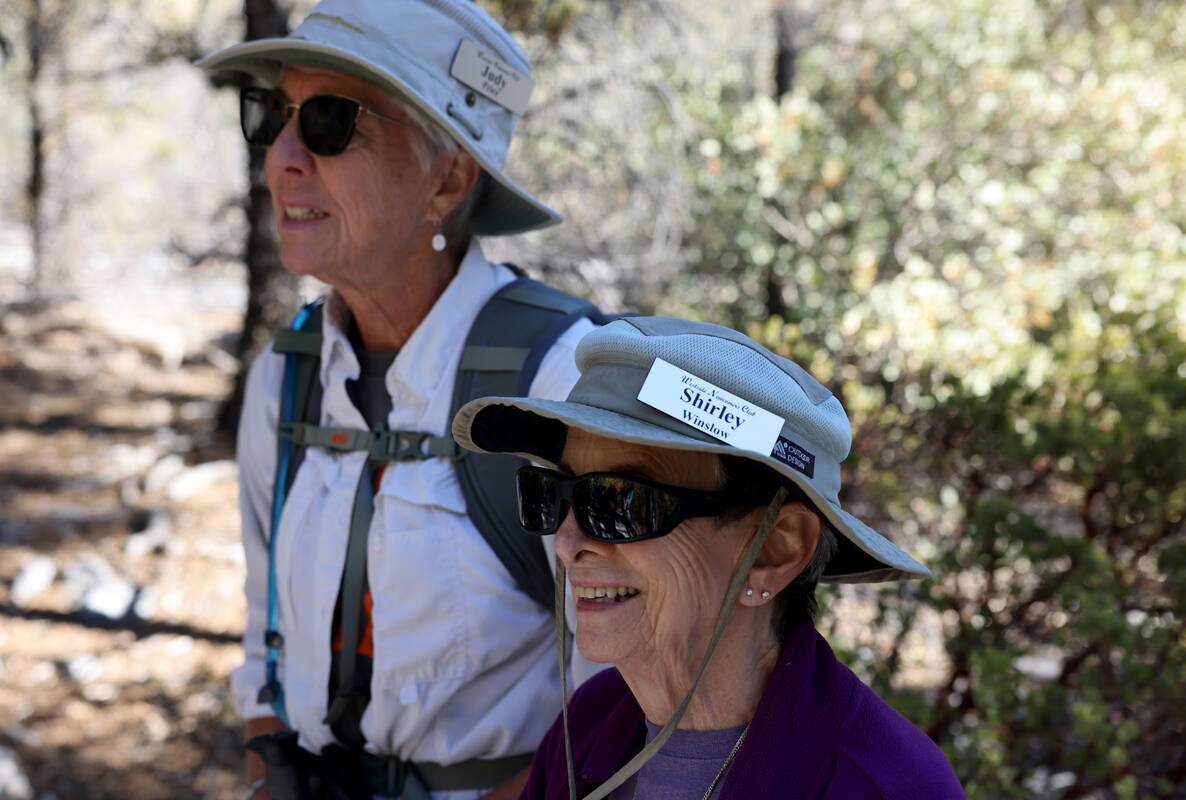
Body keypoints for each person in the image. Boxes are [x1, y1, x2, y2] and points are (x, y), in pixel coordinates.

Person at [197, 2, 599, 798]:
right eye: (274, 116)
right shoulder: (287, 377)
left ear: (447, 177)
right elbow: (263, 640)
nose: (281, 157)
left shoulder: (561, 386)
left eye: (331, 122)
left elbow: (622, 701)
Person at [451, 316, 967, 799]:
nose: (567, 542)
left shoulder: (890, 784)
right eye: (551, 493)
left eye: (619, 502)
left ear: (774, 548)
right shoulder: (589, 725)